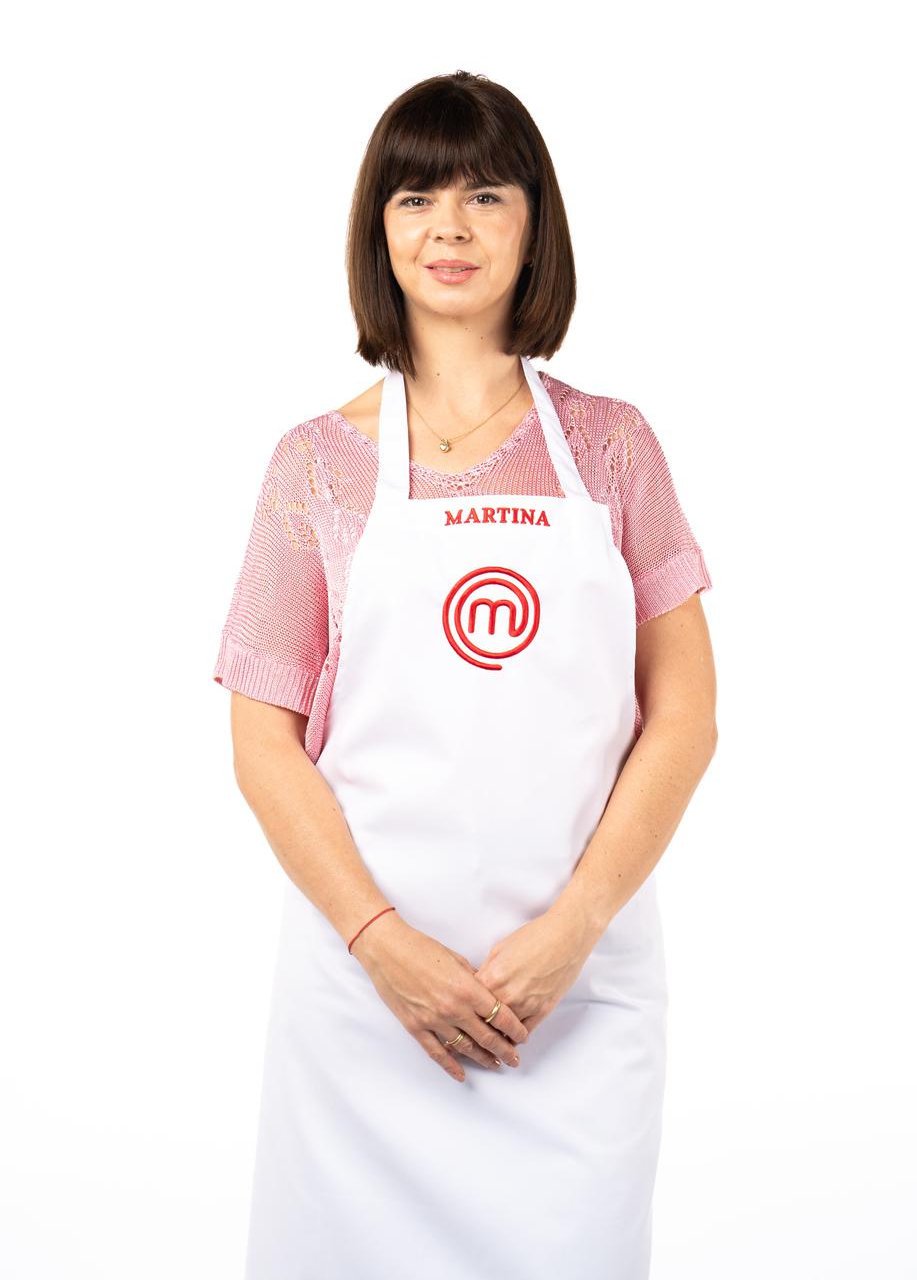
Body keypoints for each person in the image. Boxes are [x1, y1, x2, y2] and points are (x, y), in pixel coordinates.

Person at [212, 70, 718, 1280]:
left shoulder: (610, 447)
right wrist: (380, 941)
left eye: (486, 195)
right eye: (416, 198)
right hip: (364, 1008)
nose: (450, 227)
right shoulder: (315, 467)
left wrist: (574, 930)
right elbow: (261, 741)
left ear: (534, 225)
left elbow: (684, 715)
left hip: (577, 1001)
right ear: (377, 229)